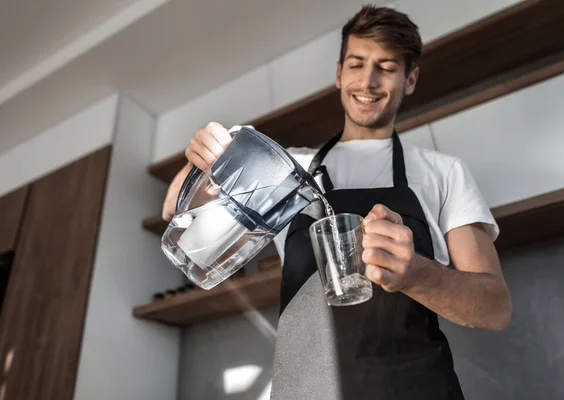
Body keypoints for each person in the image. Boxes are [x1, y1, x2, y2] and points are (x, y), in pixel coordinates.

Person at [162, 5, 512, 399]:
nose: (369, 80)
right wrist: (203, 162)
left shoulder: (443, 172)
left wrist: (416, 273)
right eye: (357, 63)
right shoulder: (288, 167)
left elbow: (495, 308)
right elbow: (178, 211)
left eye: (387, 67)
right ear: (338, 73)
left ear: (410, 79)